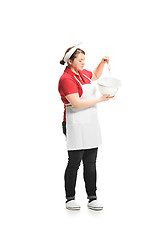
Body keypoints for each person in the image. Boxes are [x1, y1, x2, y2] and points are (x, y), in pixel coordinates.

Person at [58, 44, 113, 211]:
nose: (83, 62)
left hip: (89, 123)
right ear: (70, 62)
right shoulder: (66, 79)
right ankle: (70, 198)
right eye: (80, 60)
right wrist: (100, 100)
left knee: (91, 163)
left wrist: (102, 63)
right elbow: (76, 103)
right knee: (74, 162)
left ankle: (92, 197)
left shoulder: (82, 74)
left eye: (84, 60)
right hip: (74, 123)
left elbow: (95, 75)